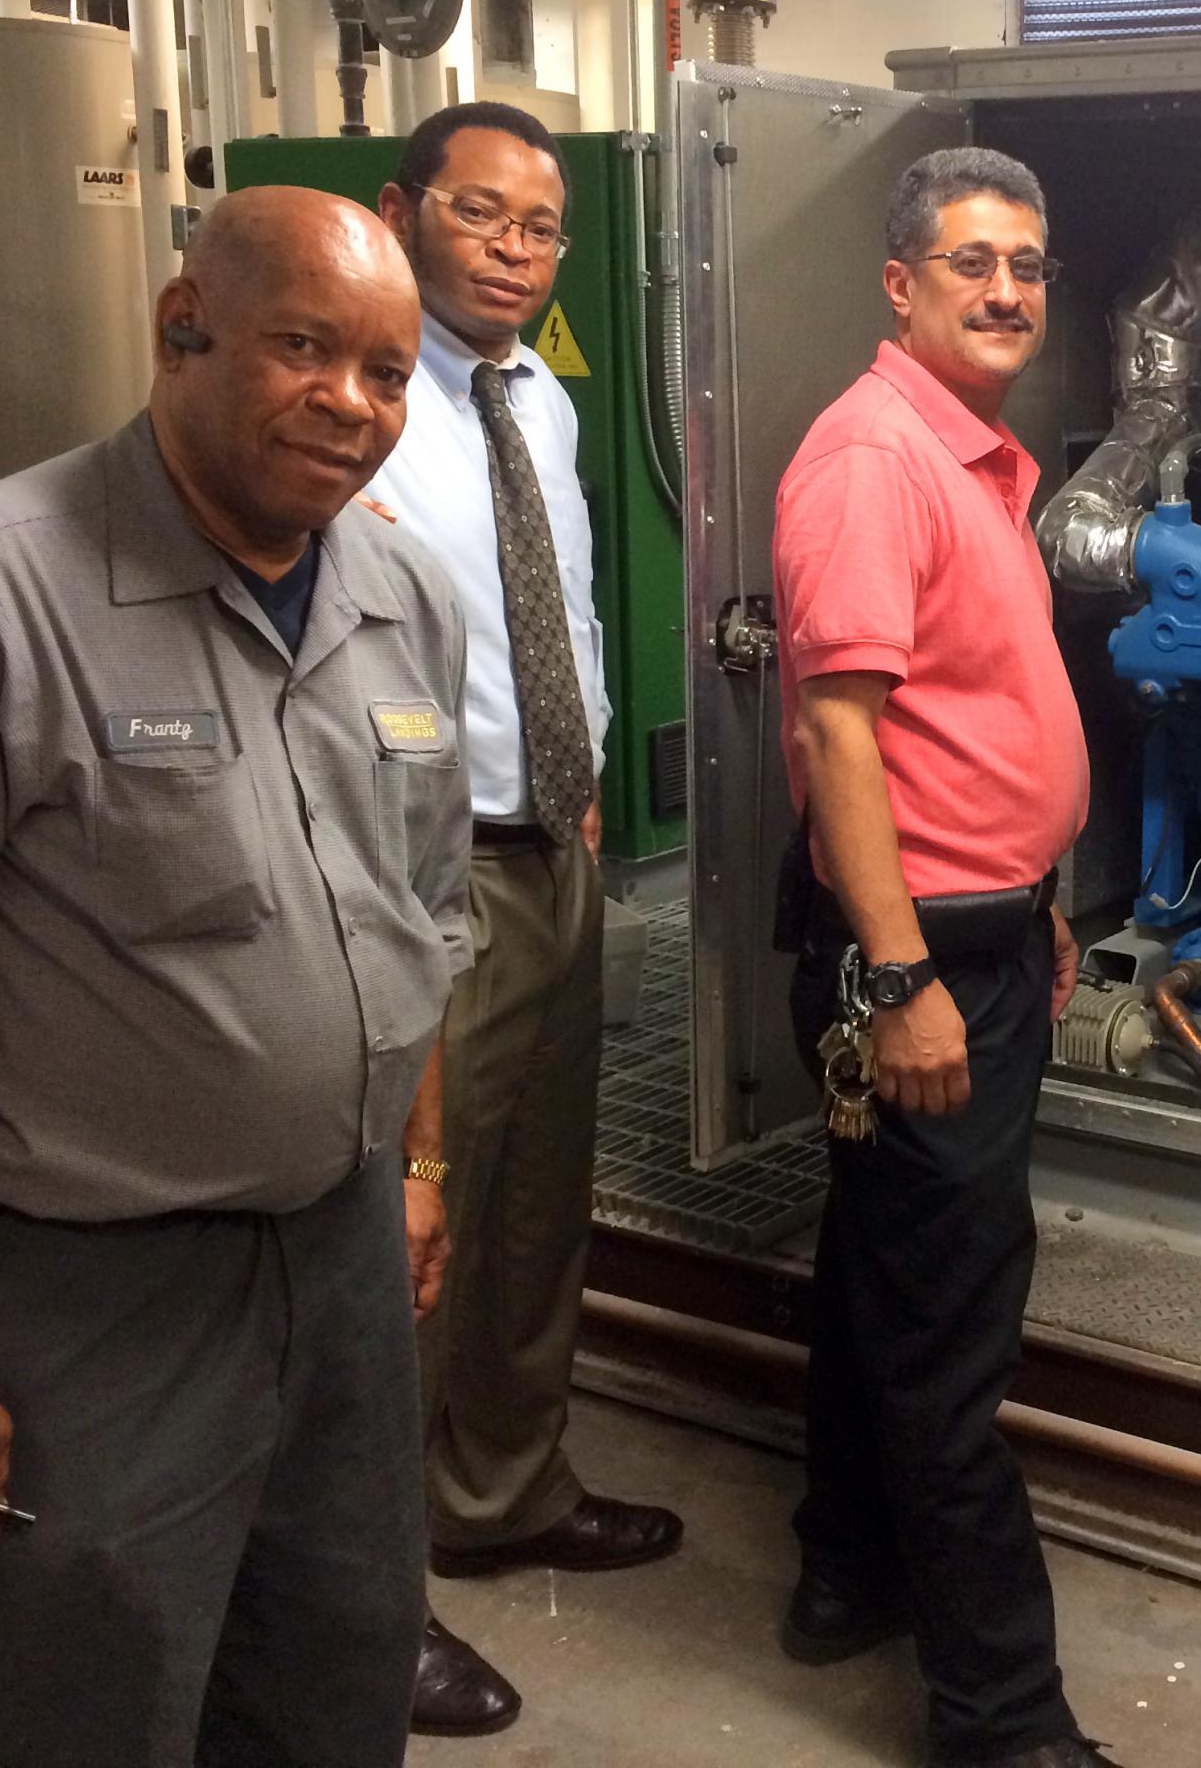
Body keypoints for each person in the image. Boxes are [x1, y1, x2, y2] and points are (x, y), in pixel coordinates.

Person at [0, 187, 471, 1766]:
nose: (352, 407)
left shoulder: (401, 599)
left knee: (337, 1680)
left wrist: (414, 1160)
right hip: (99, 1292)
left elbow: (422, 917)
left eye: (390, 373)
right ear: (181, 324)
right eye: (305, 347)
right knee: (97, 1709)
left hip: (341, 1268)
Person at [771, 147, 1113, 1768]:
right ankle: (1002, 1720)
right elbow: (840, 735)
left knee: (880, 1275)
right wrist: (903, 978)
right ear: (900, 286)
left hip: (977, 922)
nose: (1007, 291)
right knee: (949, 1337)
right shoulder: (872, 461)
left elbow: (961, 722)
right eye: (972, 262)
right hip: (912, 956)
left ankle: (846, 1568)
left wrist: (1033, 888)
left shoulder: (977, 459)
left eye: (1028, 266)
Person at [365, 101, 681, 1738]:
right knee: (412, 1229)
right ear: (403, 209)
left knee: (539, 1196)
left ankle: (502, 1490)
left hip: (548, 846)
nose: (513, 247)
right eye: (481, 215)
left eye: (541, 225)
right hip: (418, 866)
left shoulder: (538, 395)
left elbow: (554, 604)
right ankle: (367, 1591)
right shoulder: (359, 395)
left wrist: (585, 772)